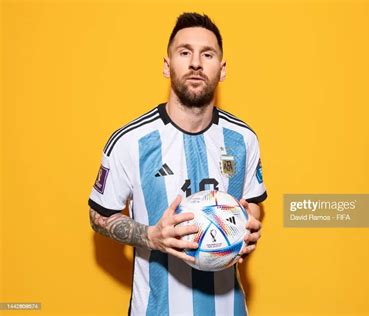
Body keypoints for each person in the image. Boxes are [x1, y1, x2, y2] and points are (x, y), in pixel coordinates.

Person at [88, 12, 267, 316]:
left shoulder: (243, 139)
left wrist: (248, 226)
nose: (196, 63)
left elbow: (253, 204)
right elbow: (98, 215)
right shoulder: (130, 141)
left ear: (221, 70)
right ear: (167, 65)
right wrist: (150, 236)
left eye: (207, 54)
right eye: (184, 52)